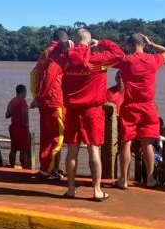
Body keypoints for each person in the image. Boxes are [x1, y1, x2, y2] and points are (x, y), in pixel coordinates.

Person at [51, 27, 125, 201]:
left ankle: (70, 189)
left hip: (72, 111)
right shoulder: (99, 59)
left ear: (75, 41)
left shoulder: (65, 59)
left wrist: (62, 45)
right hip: (93, 111)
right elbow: (120, 55)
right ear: (89, 41)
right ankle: (97, 190)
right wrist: (101, 43)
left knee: (72, 152)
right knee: (94, 151)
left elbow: (52, 53)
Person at [115, 34, 165, 189]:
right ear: (143, 44)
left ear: (129, 45)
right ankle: (150, 179)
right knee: (147, 143)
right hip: (148, 106)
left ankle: (123, 180)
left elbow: (109, 57)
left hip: (130, 106)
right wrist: (152, 43)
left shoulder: (125, 61)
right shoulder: (152, 59)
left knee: (125, 142)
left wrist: (123, 47)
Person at [30, 29, 68, 180]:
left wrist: (37, 97)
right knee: (58, 138)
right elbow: (50, 78)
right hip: (55, 101)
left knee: (46, 138)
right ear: (64, 39)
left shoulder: (45, 53)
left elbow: (34, 75)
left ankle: (51, 168)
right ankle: (47, 170)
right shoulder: (57, 53)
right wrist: (40, 98)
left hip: (45, 102)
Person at [6, 84, 31, 169]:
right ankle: (24, 168)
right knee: (23, 150)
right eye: (25, 92)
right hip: (21, 128)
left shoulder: (12, 101)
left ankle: (11, 165)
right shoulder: (23, 101)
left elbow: (7, 115)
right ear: (23, 91)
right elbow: (25, 113)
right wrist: (26, 124)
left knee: (13, 149)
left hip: (13, 127)